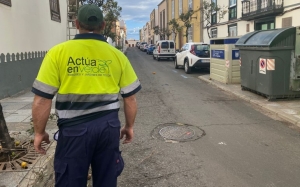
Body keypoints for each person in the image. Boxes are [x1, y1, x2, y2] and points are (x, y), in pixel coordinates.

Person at [31, 4, 141, 187]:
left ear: (76, 24)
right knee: (106, 180)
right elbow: (130, 98)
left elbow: (42, 99)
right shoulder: (117, 56)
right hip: (108, 128)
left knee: (70, 181)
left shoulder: (57, 53)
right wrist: (129, 126)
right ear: (104, 25)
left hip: (74, 131)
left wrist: (39, 132)